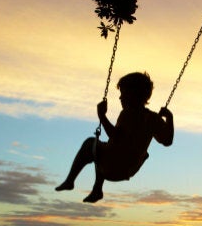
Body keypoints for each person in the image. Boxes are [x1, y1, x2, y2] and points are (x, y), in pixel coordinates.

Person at [55, 72, 174, 203]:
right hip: (128, 169)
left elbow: (116, 137)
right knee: (104, 148)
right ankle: (97, 190)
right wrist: (169, 118)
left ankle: (70, 180)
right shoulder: (153, 118)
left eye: (123, 94)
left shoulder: (128, 114)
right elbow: (167, 141)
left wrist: (102, 116)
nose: (120, 98)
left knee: (91, 143)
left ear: (133, 95)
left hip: (113, 166)